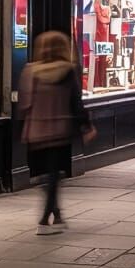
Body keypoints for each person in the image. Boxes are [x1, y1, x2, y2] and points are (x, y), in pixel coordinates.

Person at [18, 31, 96, 234]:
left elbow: (24, 104)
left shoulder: (30, 71)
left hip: (35, 130)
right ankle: (44, 221)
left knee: (44, 177)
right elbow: (76, 103)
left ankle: (57, 215)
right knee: (53, 175)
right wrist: (86, 127)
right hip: (60, 130)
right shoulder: (68, 71)